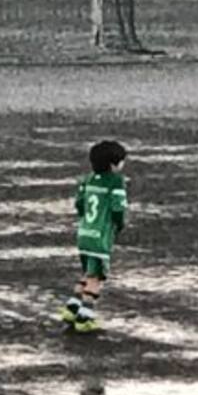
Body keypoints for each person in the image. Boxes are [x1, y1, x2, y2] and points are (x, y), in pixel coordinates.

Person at [60, 140, 129, 333]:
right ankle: (85, 317)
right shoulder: (116, 181)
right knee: (96, 278)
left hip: (84, 234)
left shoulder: (87, 179)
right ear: (113, 164)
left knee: (87, 273)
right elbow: (118, 208)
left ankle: (72, 308)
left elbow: (79, 204)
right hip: (100, 237)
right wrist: (119, 225)